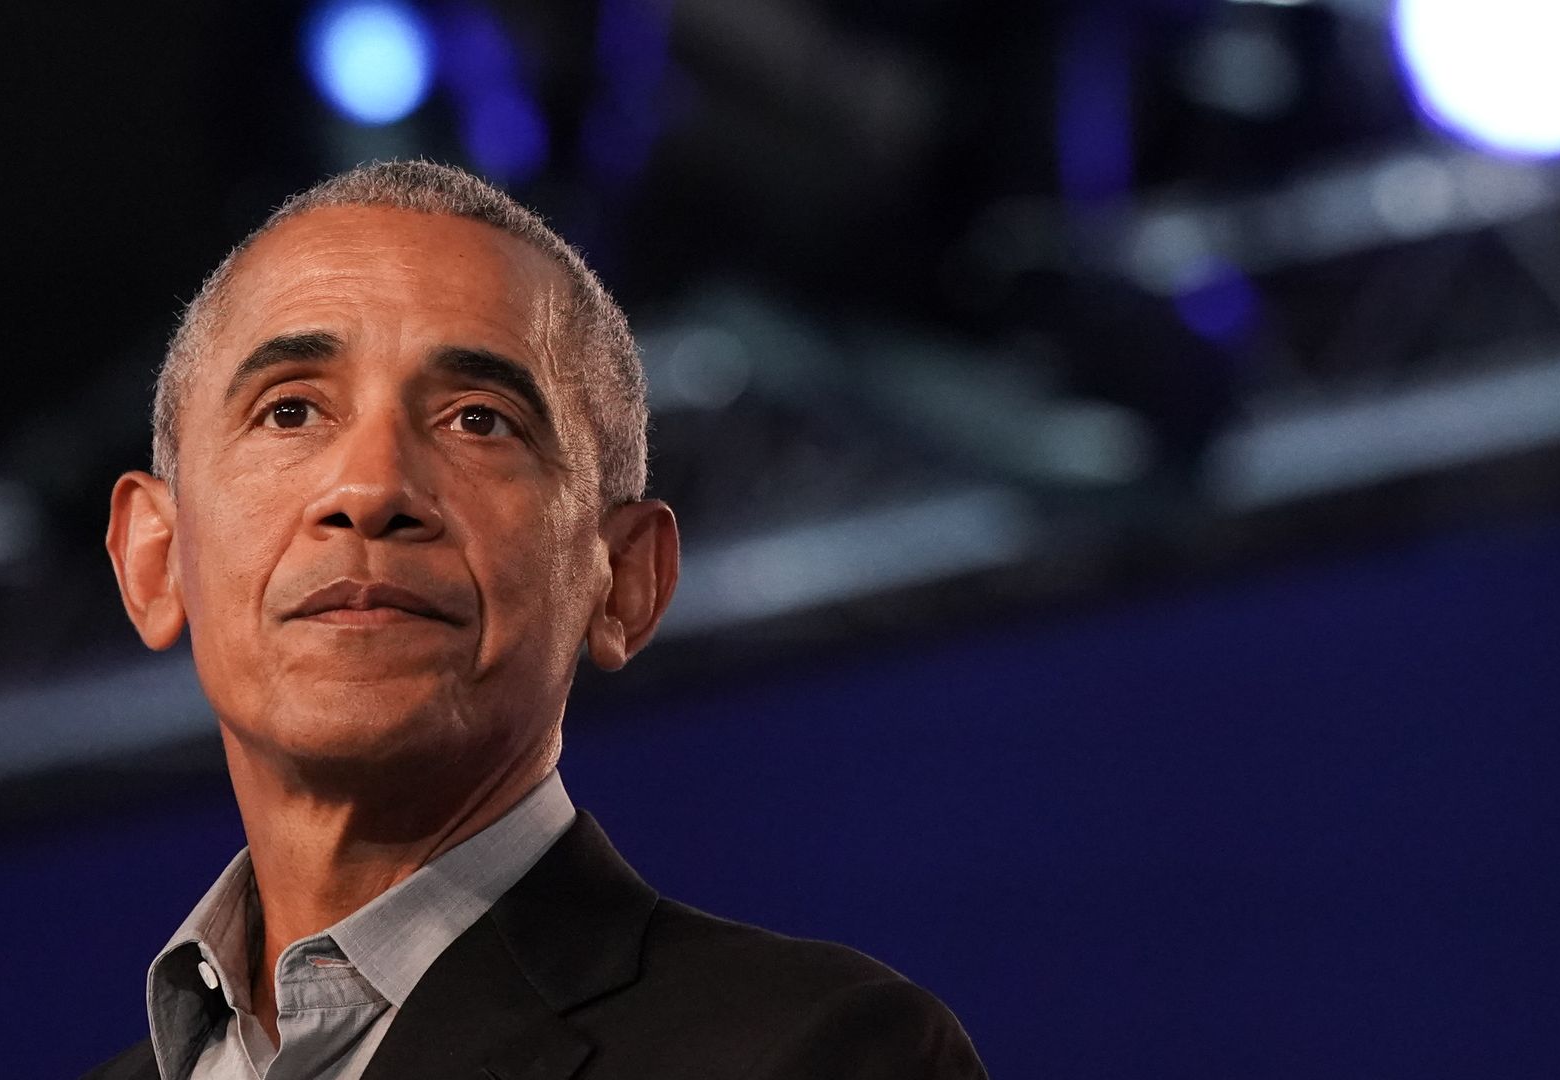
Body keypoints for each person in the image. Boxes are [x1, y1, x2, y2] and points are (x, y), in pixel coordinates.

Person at [89, 160, 986, 1080]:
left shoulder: (817, 1055)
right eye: (289, 411)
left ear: (624, 580)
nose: (370, 489)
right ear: (156, 560)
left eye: (480, 420)